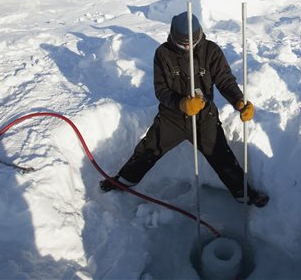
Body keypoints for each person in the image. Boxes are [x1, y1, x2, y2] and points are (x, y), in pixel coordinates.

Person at [99, 12, 269, 207]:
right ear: (173, 35)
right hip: (172, 117)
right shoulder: (163, 53)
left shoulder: (211, 51)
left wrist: (239, 101)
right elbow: (161, 90)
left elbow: (225, 81)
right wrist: (181, 104)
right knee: (148, 150)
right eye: (183, 44)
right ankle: (122, 182)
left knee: (222, 157)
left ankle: (245, 194)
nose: (188, 47)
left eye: (192, 43)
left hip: (205, 117)